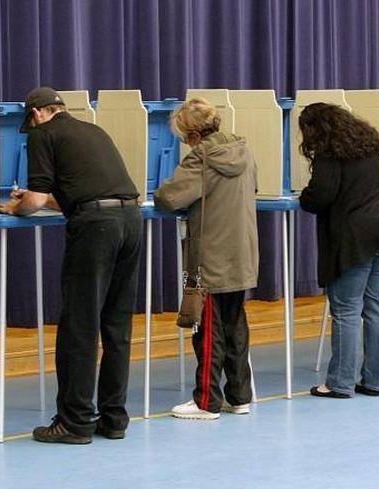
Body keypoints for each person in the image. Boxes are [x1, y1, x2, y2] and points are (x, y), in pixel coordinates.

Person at [1, 87, 141, 443]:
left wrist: (15, 206)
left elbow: (32, 200)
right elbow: (82, 193)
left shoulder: (43, 135)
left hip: (96, 229)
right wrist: (45, 200)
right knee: (116, 325)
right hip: (130, 220)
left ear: (36, 115)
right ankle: (113, 419)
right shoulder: (93, 130)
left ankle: (74, 422)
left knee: (80, 324)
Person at [157, 98, 259, 418]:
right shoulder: (244, 152)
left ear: (193, 135)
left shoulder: (201, 158)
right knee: (235, 326)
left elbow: (168, 198)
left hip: (211, 257)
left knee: (208, 331)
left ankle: (206, 402)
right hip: (241, 253)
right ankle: (240, 396)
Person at [298, 103, 379, 398]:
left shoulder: (329, 153)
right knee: (375, 305)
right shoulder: (371, 144)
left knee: (345, 309)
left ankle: (340, 383)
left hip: (356, 236)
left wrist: (304, 197)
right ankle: (373, 380)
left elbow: (321, 195)